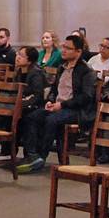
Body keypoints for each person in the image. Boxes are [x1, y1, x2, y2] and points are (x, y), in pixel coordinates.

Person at [18, 35, 96, 173]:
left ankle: (41, 156)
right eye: (63, 47)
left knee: (51, 120)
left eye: (68, 48)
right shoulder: (62, 67)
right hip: (58, 106)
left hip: (76, 110)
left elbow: (86, 97)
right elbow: (54, 89)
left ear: (78, 51)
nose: (63, 50)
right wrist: (50, 101)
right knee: (32, 116)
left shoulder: (86, 71)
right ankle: (32, 154)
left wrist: (63, 105)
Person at [12, 47, 47, 161]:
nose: (17, 57)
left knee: (27, 118)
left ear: (29, 60)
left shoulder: (36, 73)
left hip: (37, 106)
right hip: (22, 104)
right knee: (7, 116)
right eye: (18, 54)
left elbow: (38, 96)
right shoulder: (19, 72)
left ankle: (31, 154)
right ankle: (9, 151)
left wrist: (21, 104)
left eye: (21, 55)